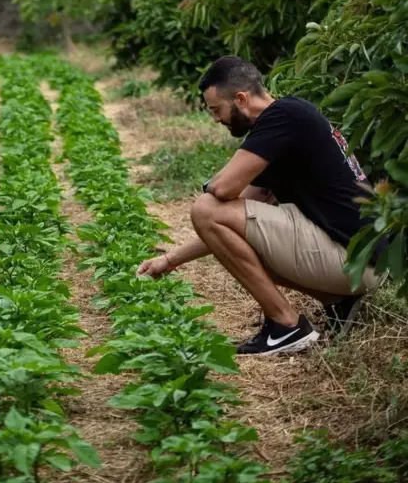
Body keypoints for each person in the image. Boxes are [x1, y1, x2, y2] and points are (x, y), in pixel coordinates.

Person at [136, 55, 383, 355]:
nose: (216, 119)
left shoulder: (282, 117)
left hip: (355, 262)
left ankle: (286, 325)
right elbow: (228, 223)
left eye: (216, 109)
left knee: (205, 206)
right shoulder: (287, 121)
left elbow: (221, 192)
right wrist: (170, 260)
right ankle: (338, 300)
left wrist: (212, 184)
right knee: (225, 223)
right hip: (360, 261)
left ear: (241, 99)